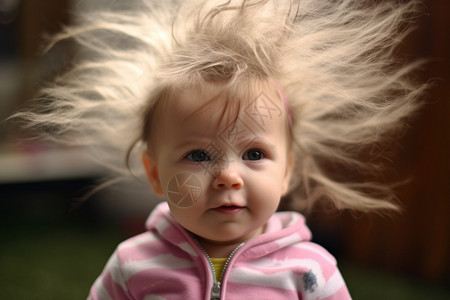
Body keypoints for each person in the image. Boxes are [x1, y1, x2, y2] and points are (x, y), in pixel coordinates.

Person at [13, 0, 425, 299]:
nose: (229, 175)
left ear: (287, 170)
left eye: (254, 154)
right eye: (198, 156)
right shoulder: (132, 264)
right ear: (155, 174)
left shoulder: (310, 271)